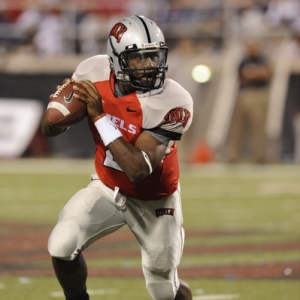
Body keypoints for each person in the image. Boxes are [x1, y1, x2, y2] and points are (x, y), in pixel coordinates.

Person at [41, 15, 193, 300]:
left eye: (154, 57)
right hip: (108, 186)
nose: (150, 66)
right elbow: (49, 130)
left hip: (155, 199)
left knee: (163, 289)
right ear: (116, 59)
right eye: (140, 59)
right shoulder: (91, 71)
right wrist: (59, 107)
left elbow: (138, 168)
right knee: (61, 244)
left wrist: (99, 116)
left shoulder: (174, 100)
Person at [226, 38, 272, 164]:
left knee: (258, 126)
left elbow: (266, 73)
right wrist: (256, 73)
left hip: (258, 94)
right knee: (238, 127)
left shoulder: (263, 59)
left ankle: (259, 156)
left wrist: (253, 73)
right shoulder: (244, 60)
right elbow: (242, 76)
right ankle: (234, 155)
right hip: (244, 93)